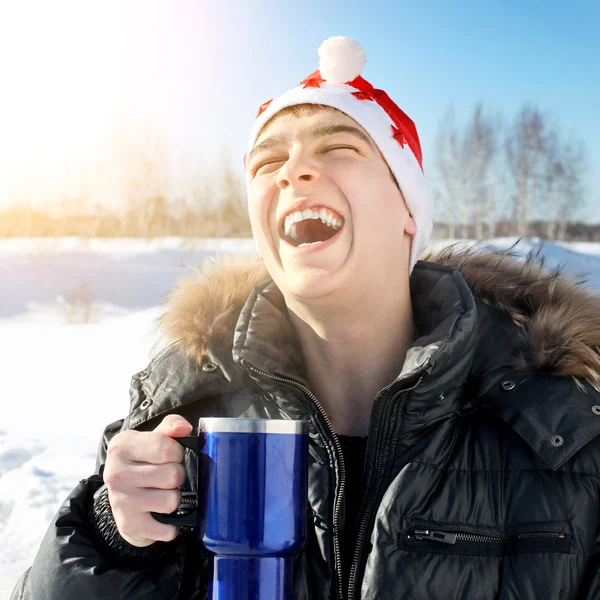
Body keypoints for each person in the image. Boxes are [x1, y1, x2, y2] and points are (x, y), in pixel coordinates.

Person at [11, 36, 600, 600]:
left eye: (338, 148)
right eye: (268, 161)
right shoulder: (181, 413)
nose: (292, 170)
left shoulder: (563, 426)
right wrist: (114, 539)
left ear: (408, 212)